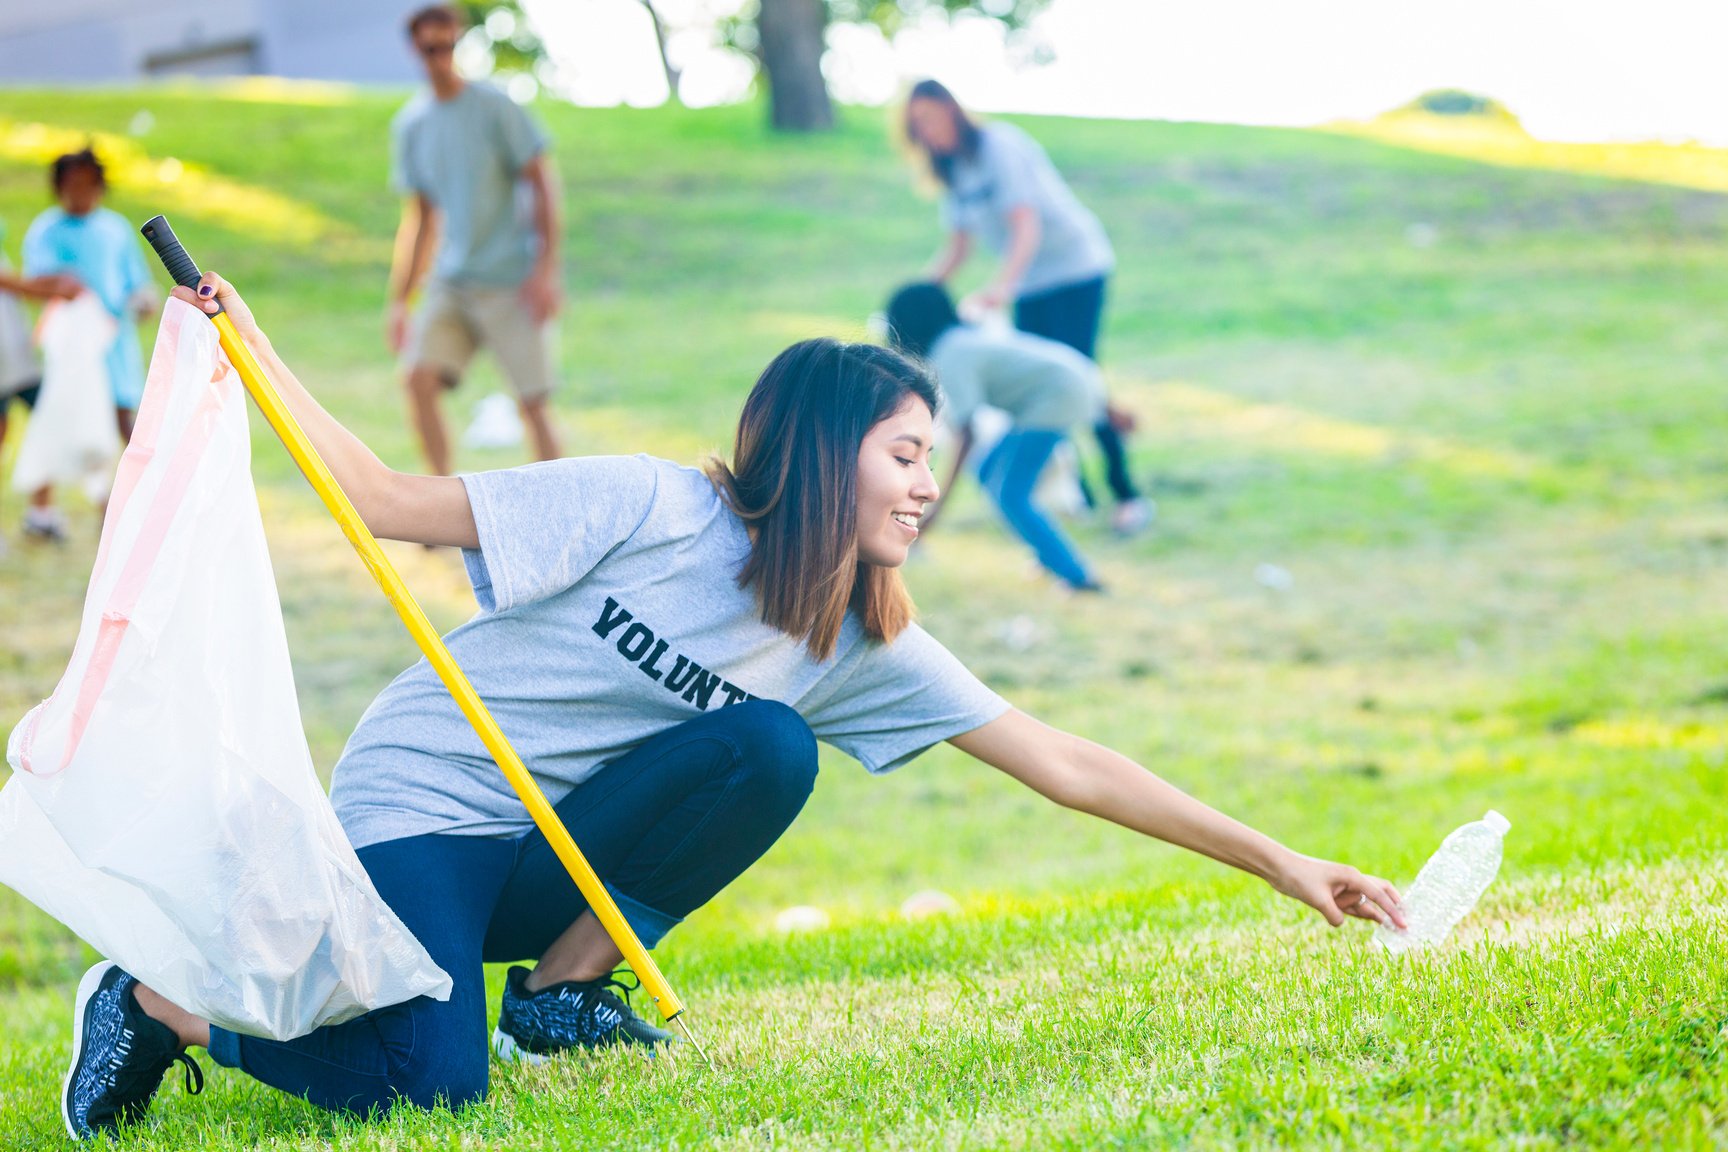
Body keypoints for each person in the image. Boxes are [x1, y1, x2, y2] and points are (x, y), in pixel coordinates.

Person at [58, 272, 1405, 1141]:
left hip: (559, 847)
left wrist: (1287, 865)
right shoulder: (651, 506)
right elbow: (387, 505)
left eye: (931, 458)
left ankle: (566, 993)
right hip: (431, 804)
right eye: (906, 455)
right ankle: (171, 1005)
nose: (927, 486)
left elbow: (1066, 762)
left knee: (768, 746)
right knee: (426, 1089)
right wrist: (253, 344)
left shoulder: (855, 635)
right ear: (830, 451)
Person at [903, 78, 1151, 536]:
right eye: (917, 124)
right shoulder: (954, 173)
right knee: (1046, 385)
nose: (927, 130)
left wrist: (1002, 287)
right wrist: (916, 296)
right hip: (1031, 283)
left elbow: (1025, 225)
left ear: (952, 111)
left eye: (931, 117)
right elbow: (958, 245)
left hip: (1074, 267)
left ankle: (1126, 493)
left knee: (1079, 372)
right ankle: (1082, 492)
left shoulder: (999, 147)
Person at [386, 3, 564, 476]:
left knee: (534, 404)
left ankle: (567, 510)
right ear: (414, 50)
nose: (439, 57)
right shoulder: (412, 125)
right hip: (453, 281)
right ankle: (437, 503)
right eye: (429, 48)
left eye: (447, 46)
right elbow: (420, 221)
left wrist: (545, 272)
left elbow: (542, 183)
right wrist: (400, 301)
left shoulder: (495, 107)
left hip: (510, 279)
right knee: (417, 380)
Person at [885, 281, 1103, 592]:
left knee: (1010, 493)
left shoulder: (950, 354)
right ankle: (1047, 554)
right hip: (1071, 382)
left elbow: (966, 435)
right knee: (989, 472)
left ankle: (1077, 577)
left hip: (1057, 397)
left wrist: (934, 511)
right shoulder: (960, 340)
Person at [20, 149, 154, 540]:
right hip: (73, 352)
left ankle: (120, 511)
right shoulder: (47, 230)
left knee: (123, 425)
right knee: (60, 422)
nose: (80, 193)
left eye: (88, 185)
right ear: (58, 188)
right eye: (71, 185)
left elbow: (135, 280)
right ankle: (40, 512)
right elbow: (37, 282)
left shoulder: (114, 228)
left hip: (115, 348)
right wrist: (65, 287)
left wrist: (142, 300)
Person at [0, 230, 81, 542]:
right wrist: (56, 286)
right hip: (7, 365)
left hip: (19, 359)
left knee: (50, 425)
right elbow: (16, 284)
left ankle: (41, 513)